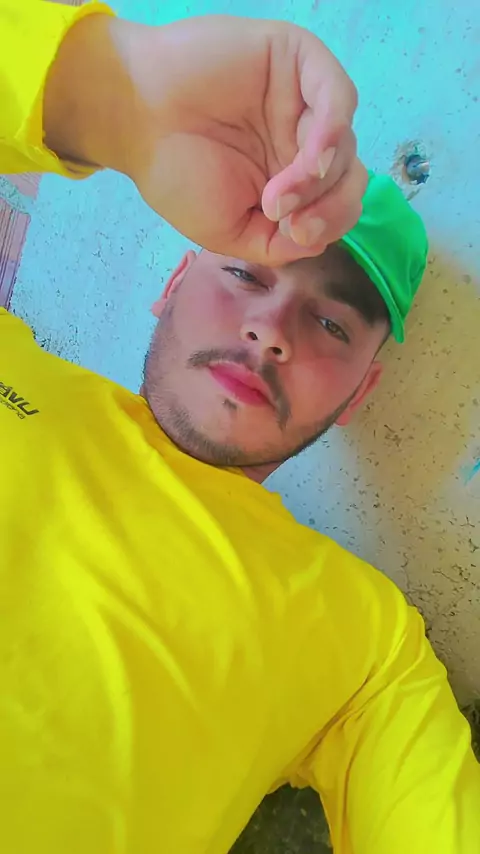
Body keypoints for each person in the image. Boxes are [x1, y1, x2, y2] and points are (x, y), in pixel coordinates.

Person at [0, 3, 479, 854]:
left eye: (330, 323)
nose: (270, 331)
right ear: (171, 284)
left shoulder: (367, 644)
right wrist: (113, 94)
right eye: (245, 273)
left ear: (361, 392)